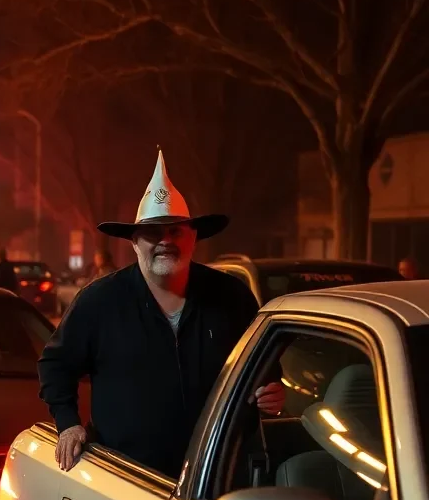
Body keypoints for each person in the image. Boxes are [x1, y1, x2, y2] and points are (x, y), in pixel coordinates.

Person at [39, 150, 285, 479]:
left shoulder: (231, 297)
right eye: (153, 234)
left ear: (193, 237)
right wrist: (68, 423)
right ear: (134, 242)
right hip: (128, 481)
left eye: (175, 232)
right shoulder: (99, 302)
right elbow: (55, 365)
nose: (165, 241)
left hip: (215, 478)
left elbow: (263, 369)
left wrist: (272, 390)